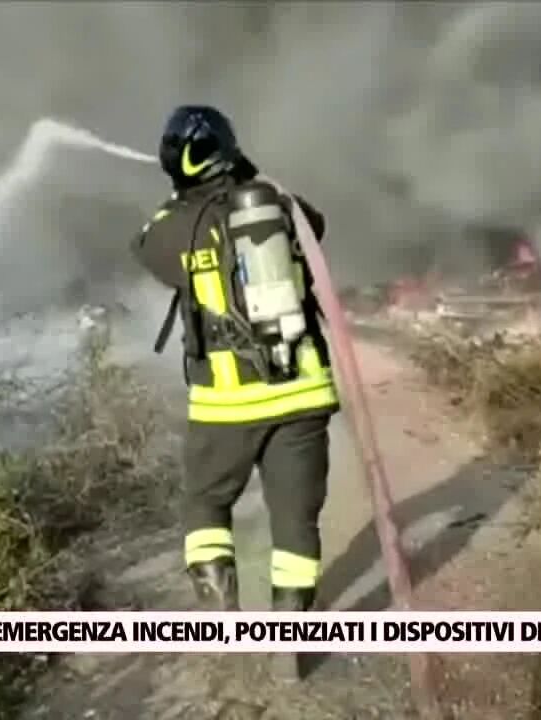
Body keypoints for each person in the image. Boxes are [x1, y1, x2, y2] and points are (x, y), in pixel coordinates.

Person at [130, 105, 339, 624]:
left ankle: (223, 615)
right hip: (304, 395)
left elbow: (143, 248)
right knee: (296, 522)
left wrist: (185, 201)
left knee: (204, 503)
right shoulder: (281, 208)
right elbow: (317, 224)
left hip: (227, 403)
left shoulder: (174, 226)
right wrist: (254, 180)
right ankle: (290, 634)